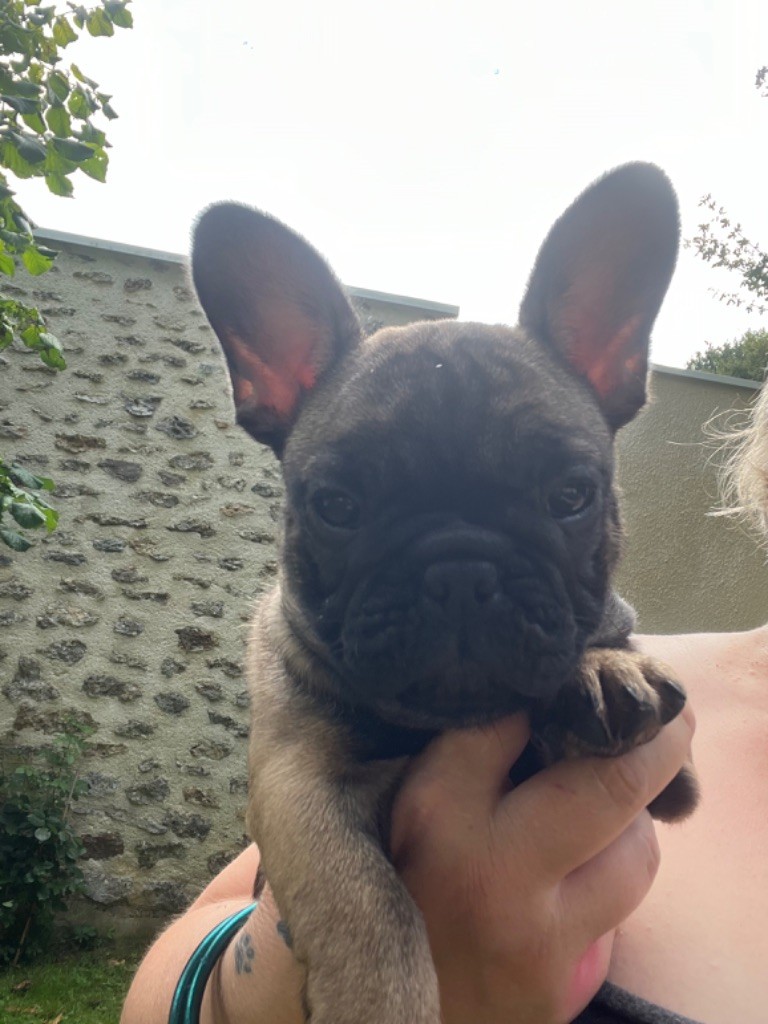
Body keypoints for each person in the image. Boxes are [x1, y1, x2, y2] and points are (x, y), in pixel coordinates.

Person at [121, 385, 768, 1024]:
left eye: (564, 499)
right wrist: (295, 988)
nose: (462, 581)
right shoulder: (323, 718)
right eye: (344, 506)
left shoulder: (627, 680)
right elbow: (162, 994)